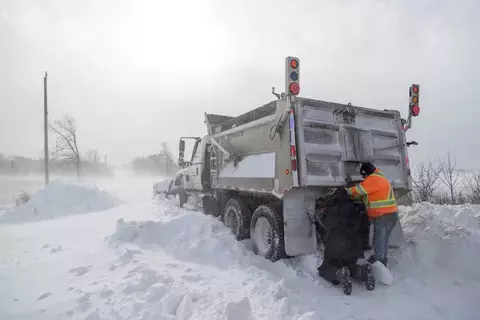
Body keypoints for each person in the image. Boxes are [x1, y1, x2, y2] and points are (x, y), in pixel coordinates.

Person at [316, 187, 375, 295]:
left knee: (325, 268)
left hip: (337, 249)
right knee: (354, 263)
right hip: (356, 248)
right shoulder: (358, 208)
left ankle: (339, 273)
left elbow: (322, 226)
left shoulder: (331, 210)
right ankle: (362, 270)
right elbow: (365, 227)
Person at [345, 162, 399, 267]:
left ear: (367, 173)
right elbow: (367, 195)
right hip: (391, 215)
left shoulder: (373, 179)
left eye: (363, 175)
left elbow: (359, 190)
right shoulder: (380, 178)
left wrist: (345, 191)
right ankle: (382, 262)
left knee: (378, 240)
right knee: (383, 240)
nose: (363, 178)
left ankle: (378, 262)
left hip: (383, 215)